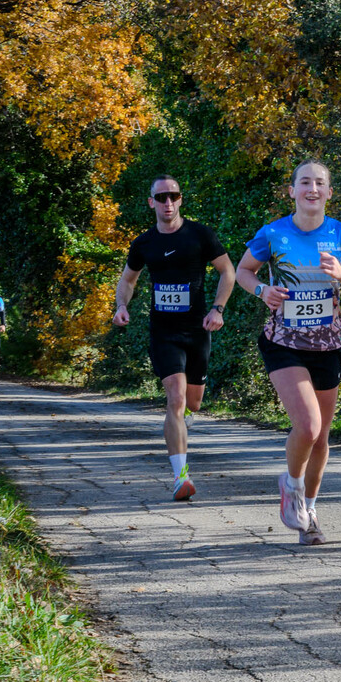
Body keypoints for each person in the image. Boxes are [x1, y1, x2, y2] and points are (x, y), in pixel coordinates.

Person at [236, 161, 341, 545]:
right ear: (292, 191)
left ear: (329, 192)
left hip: (328, 346)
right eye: (305, 182)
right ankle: (292, 486)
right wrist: (262, 290)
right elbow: (243, 271)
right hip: (284, 344)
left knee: (322, 437)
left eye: (320, 183)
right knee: (308, 427)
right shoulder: (273, 233)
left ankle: (309, 513)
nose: (312, 189)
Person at [113, 175, 235, 501]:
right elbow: (128, 279)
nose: (168, 202)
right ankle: (181, 477)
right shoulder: (144, 243)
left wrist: (218, 309)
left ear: (181, 199)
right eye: (161, 197)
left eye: (174, 196)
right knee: (176, 399)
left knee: (193, 403)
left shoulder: (200, 235)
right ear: (151, 202)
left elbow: (228, 271)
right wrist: (121, 305)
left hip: (197, 330)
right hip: (164, 332)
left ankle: (180, 421)